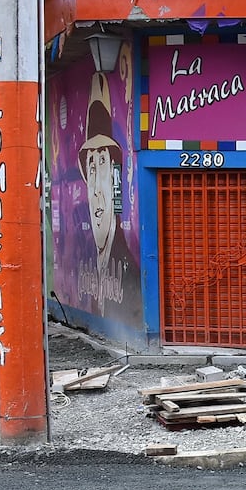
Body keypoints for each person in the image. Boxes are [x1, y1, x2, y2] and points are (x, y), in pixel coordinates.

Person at [77, 73, 142, 324]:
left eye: (102, 164)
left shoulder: (129, 268)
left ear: (115, 177)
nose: (95, 190)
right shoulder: (91, 261)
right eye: (91, 168)